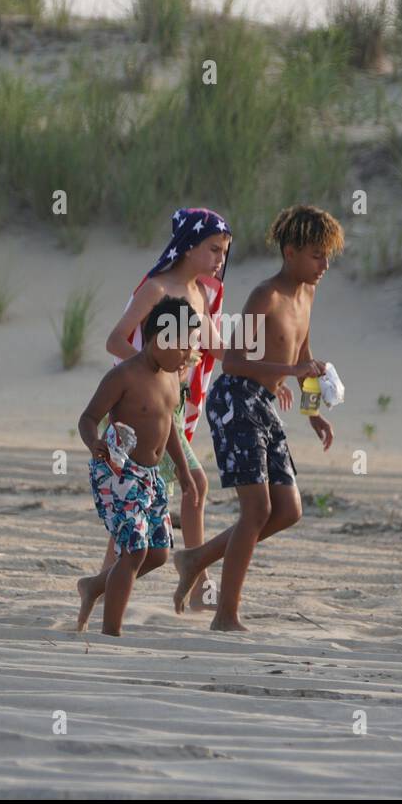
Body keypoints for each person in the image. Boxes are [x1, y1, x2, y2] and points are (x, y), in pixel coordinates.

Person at [172, 205, 345, 631]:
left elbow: (301, 353)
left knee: (288, 510)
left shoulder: (308, 293)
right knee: (257, 510)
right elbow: (231, 363)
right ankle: (226, 616)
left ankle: (196, 557)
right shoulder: (265, 296)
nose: (324, 265)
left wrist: (313, 414)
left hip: (264, 403)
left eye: (327, 257)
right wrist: (288, 372)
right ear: (290, 252)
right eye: (316, 255)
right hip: (234, 400)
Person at [103, 208, 232, 611]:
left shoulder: (200, 294)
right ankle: (195, 581)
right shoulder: (157, 289)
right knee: (183, 486)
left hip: (170, 412)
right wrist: (155, 371)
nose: (219, 260)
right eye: (213, 250)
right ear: (188, 246)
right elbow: (115, 340)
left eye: (225, 253)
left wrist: (274, 368)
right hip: (142, 410)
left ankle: (107, 582)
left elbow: (217, 348)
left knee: (147, 497)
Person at [76, 296, 201, 636]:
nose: (188, 355)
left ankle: (95, 587)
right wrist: (93, 442)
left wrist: (184, 471)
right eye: (182, 346)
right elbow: (88, 417)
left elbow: (170, 426)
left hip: (150, 476)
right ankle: (110, 632)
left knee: (158, 553)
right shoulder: (125, 376)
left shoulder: (173, 378)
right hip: (118, 472)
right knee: (134, 550)